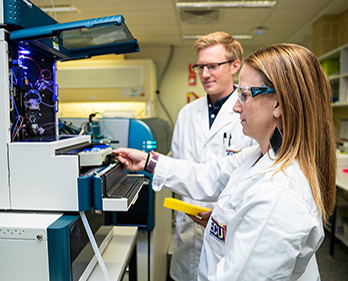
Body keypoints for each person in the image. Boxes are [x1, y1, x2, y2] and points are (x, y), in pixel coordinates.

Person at [114, 43, 337, 280]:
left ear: (279, 104)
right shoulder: (260, 156)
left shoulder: (278, 196)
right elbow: (208, 175)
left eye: (245, 95)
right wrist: (148, 161)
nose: (236, 106)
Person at [168, 31, 254, 281]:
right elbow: (180, 168)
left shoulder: (249, 112)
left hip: (230, 231)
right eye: (200, 66)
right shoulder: (186, 114)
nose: (204, 74)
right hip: (188, 231)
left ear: (235, 66)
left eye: (213, 66)